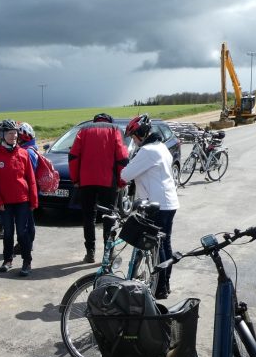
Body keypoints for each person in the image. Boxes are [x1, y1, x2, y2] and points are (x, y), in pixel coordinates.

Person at [119, 114, 179, 299]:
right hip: (169, 202)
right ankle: (165, 284)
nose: (134, 141)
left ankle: (160, 286)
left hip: (157, 204)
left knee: (157, 246)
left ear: (141, 134)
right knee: (165, 244)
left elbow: (125, 175)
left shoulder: (147, 152)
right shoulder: (161, 147)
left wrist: (124, 163)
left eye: (134, 137)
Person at [68, 112, 129, 263]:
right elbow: (122, 158)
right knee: (109, 218)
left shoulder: (83, 130)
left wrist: (75, 179)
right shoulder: (114, 129)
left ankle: (90, 252)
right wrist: (121, 182)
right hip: (108, 182)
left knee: (88, 217)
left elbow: (73, 156)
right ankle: (108, 254)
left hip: (86, 181)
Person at [0, 119, 37, 276]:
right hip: (5, 203)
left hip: (23, 201)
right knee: (8, 233)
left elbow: (31, 178)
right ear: (2, 135)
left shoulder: (23, 153)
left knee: (22, 233)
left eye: (15, 133)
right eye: (10, 133)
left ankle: (27, 261)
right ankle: (7, 259)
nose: (13, 136)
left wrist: (33, 199)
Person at [15, 122, 38, 255]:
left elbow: (28, 174)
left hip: (27, 191)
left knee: (27, 221)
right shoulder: (32, 149)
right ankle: (26, 243)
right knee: (28, 220)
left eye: (18, 137)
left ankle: (27, 244)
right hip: (30, 190)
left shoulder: (27, 152)